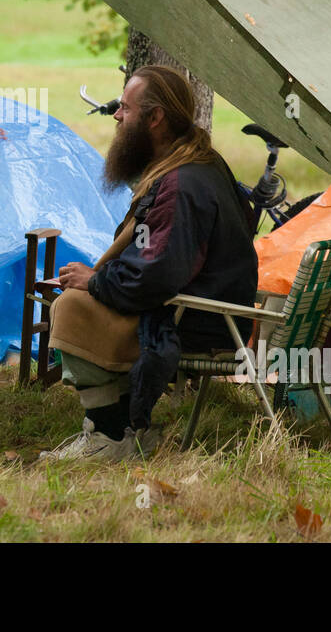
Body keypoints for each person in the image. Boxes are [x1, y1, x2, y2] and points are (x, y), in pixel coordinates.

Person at [39, 65, 259, 461]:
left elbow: (155, 277)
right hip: (205, 313)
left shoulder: (181, 183)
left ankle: (110, 436)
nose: (117, 116)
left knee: (70, 307)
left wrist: (93, 283)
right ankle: (131, 428)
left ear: (155, 118)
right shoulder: (199, 164)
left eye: (126, 108)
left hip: (194, 322)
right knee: (80, 296)